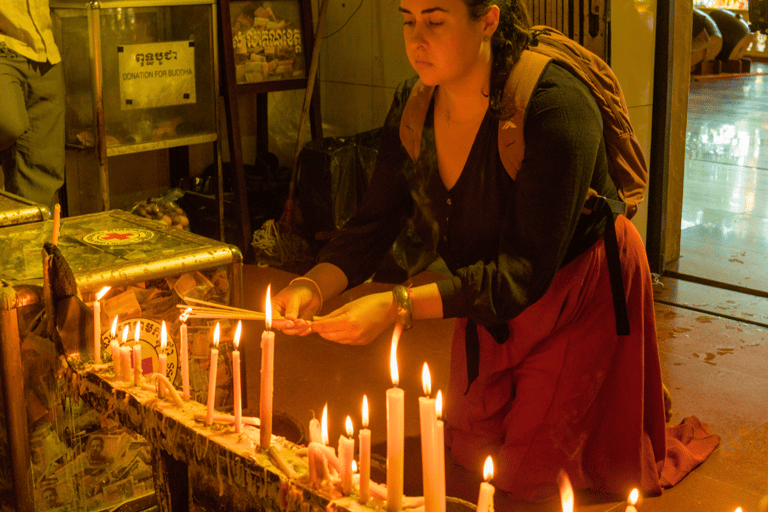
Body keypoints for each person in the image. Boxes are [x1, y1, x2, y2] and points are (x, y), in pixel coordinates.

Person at [273, 0, 669, 502]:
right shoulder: (415, 105)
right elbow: (374, 223)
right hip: (489, 286)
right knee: (468, 449)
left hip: (574, 284)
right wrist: (312, 284)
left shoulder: (554, 106)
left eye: (436, 21)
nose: (417, 38)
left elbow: (526, 271)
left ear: (488, 20)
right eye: (407, 19)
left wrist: (399, 307)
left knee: (526, 477)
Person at [0, 0, 66, 211]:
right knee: (9, 124)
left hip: (45, 49)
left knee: (43, 166)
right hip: (3, 46)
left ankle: (32, 236)